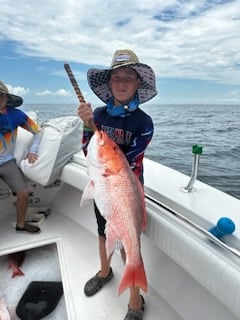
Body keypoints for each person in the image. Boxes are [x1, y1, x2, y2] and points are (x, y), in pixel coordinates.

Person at [78, 49, 157, 320]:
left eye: (128, 77)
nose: (121, 83)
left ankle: (136, 301)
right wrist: (89, 126)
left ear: (138, 84)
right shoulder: (98, 115)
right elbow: (88, 149)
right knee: (103, 233)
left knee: (129, 244)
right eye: (116, 78)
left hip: (127, 190)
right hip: (103, 185)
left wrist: (104, 153)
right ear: (109, 83)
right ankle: (104, 271)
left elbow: (131, 161)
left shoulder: (144, 122)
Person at [0, 80, 43, 233]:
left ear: (7, 98)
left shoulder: (16, 115)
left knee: (23, 192)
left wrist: (33, 150)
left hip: (7, 163)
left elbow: (37, 132)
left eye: (1, 95)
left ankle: (21, 225)